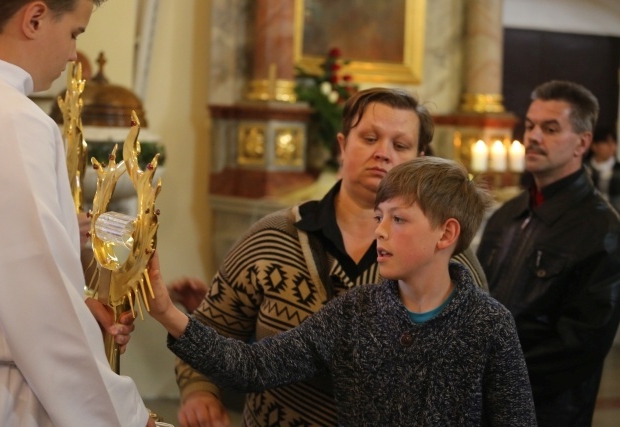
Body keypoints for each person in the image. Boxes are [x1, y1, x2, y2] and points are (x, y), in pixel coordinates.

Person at [172, 87, 489, 427]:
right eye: (369, 138)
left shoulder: (446, 258)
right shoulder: (272, 237)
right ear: (342, 145)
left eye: (399, 145)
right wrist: (200, 392)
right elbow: (210, 328)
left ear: (420, 157)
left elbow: (473, 376)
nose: (383, 153)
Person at [148, 157, 536, 426]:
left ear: (446, 233)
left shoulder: (489, 324)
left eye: (398, 219)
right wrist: (168, 312)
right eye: (379, 217)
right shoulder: (354, 311)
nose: (380, 231)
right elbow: (252, 366)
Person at [0, 1, 154, 426]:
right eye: (75, 33)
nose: (74, 54)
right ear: (35, 18)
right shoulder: (11, 120)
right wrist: (129, 417)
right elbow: (39, 304)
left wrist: (76, 300)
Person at [477, 80, 620, 426]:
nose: (533, 137)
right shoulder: (505, 215)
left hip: (547, 412)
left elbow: (578, 347)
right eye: (530, 126)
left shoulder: (602, 231)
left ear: (582, 143)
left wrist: (493, 377)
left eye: (550, 128)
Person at [585, 126, 620, 211]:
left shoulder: (618, 170)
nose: (611, 146)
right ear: (594, 146)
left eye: (614, 142)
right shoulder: (583, 169)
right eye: (606, 143)